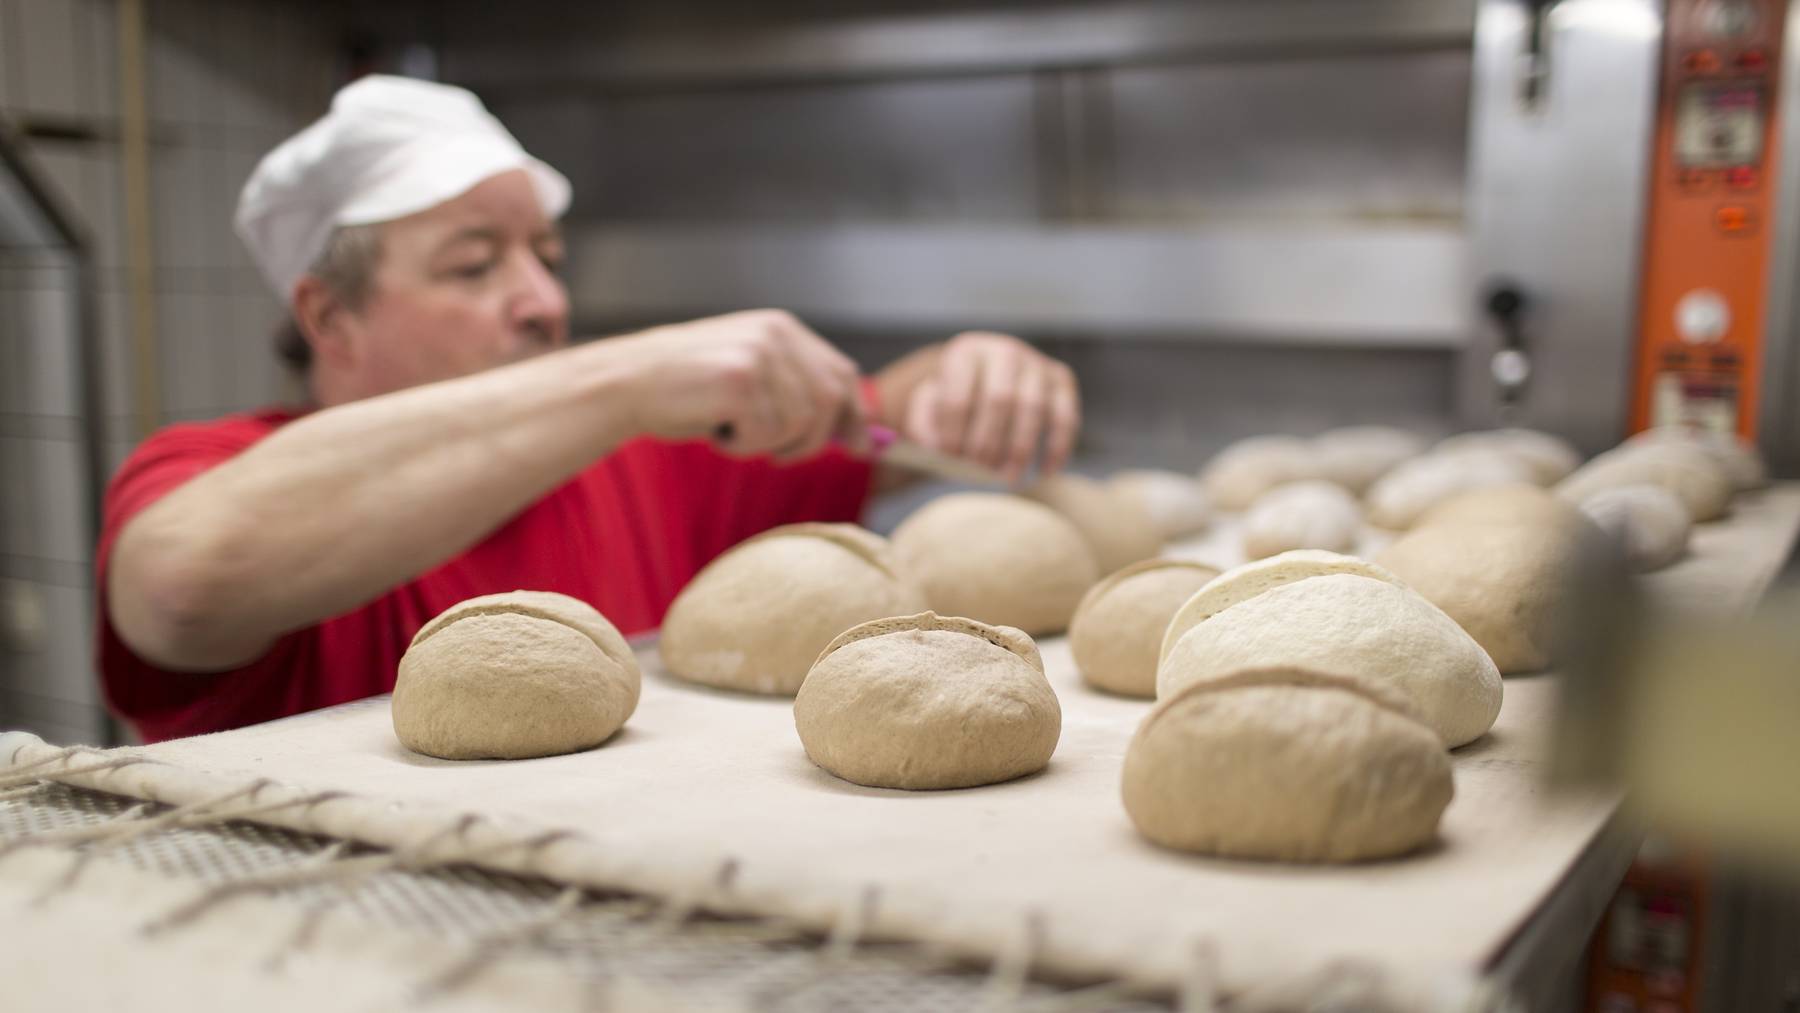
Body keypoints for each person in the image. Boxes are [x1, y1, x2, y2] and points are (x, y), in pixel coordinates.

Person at [97, 76, 1081, 743]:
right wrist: (626, 376)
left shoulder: (640, 454)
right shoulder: (212, 466)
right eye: (476, 264)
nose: (545, 301)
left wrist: (966, 372)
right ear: (330, 314)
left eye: (548, 258)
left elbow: (872, 421)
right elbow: (181, 583)